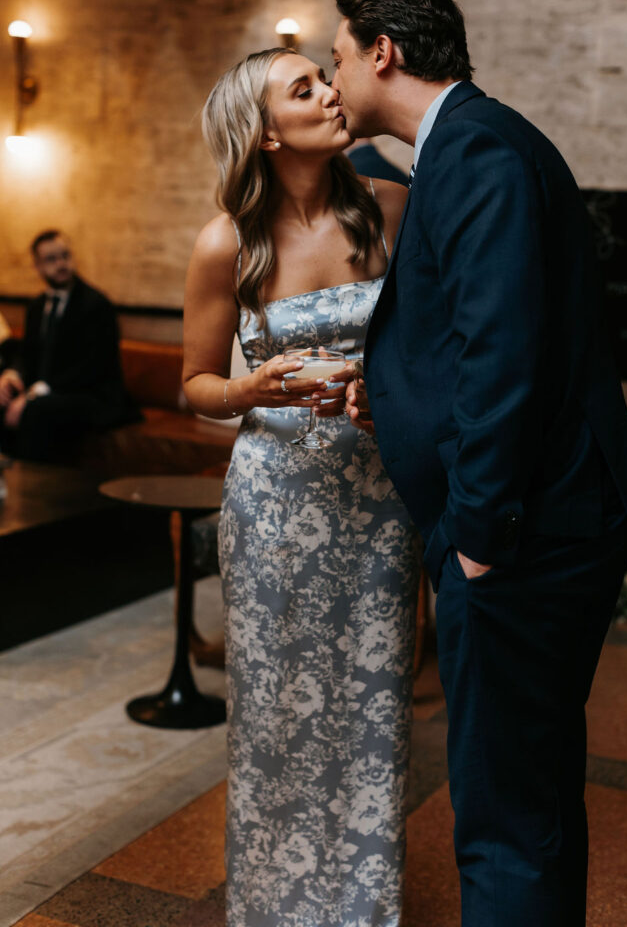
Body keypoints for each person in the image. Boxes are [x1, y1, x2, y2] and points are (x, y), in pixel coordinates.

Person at [332, 0, 627, 927]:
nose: (333, 76)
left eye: (337, 57)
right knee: (526, 789)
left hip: (520, 534)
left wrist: (475, 536)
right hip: (528, 524)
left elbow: (502, 356)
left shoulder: (475, 153)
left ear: (381, 52)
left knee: (503, 809)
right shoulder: (469, 145)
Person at [182, 47, 422, 927]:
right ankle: (273, 910)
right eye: (305, 88)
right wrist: (252, 388)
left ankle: (362, 911)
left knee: (371, 713)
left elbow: (431, 351)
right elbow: (196, 383)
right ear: (265, 131)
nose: (331, 91)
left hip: (376, 503)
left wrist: (389, 400)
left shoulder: (392, 210)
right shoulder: (226, 242)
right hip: (274, 505)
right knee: (275, 716)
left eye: (327, 75)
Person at [0, 229, 131, 462]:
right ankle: (6, 480)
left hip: (91, 395)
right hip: (50, 392)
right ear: (37, 267)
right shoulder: (37, 306)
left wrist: (34, 394)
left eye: (65, 256)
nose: (61, 264)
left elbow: (93, 366)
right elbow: (27, 353)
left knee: (37, 410)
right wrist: (12, 375)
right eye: (51, 259)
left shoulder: (96, 305)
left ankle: (31, 487)